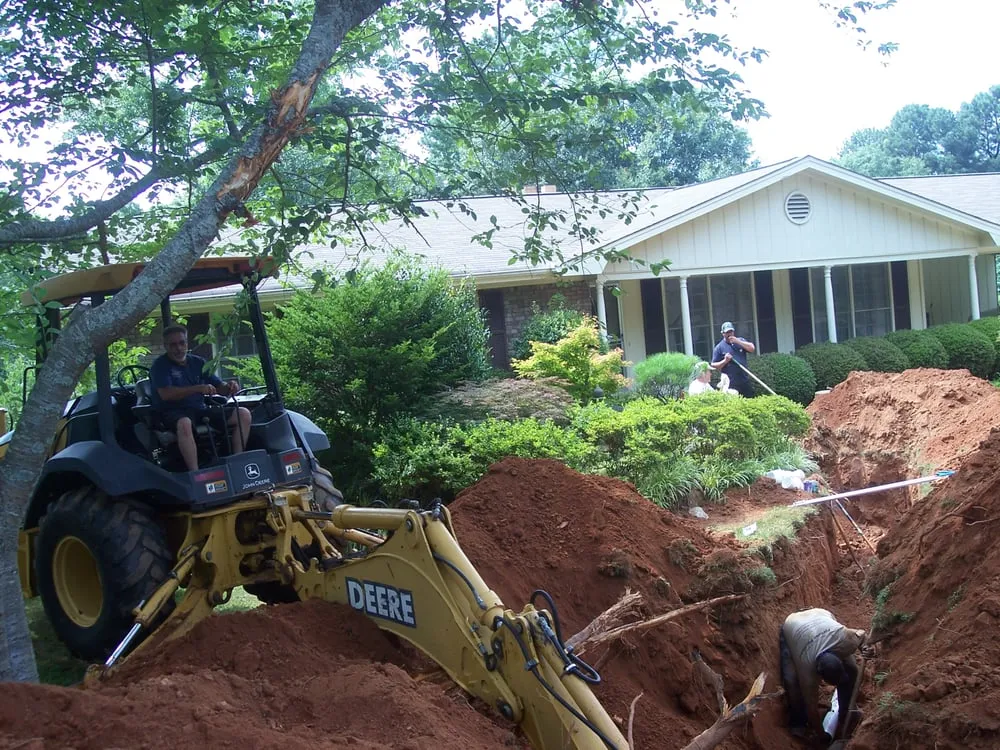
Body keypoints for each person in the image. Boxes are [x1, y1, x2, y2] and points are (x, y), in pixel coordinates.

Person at [150, 324, 252, 471]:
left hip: (200, 409)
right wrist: (197, 388)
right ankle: (196, 473)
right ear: (166, 346)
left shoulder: (197, 362)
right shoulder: (160, 366)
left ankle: (238, 462)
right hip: (172, 412)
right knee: (184, 423)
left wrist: (229, 386)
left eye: (182, 343)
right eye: (173, 345)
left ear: (187, 343)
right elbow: (166, 394)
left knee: (243, 414)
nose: (178, 348)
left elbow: (219, 388)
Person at [780, 607, 866, 742]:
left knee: (852, 669)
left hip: (821, 615)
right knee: (792, 683)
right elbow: (811, 708)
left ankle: (846, 710)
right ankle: (798, 722)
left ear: (839, 656)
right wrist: (821, 735)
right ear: (819, 675)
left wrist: (865, 649)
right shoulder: (807, 670)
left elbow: (862, 634)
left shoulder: (844, 640)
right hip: (793, 625)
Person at [710, 321, 756, 398]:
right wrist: (725, 361)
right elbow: (714, 365)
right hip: (730, 383)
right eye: (727, 332)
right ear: (723, 333)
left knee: (750, 400)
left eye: (731, 331)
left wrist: (738, 341)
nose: (729, 334)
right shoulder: (719, 348)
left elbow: (752, 348)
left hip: (744, 380)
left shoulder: (740, 340)